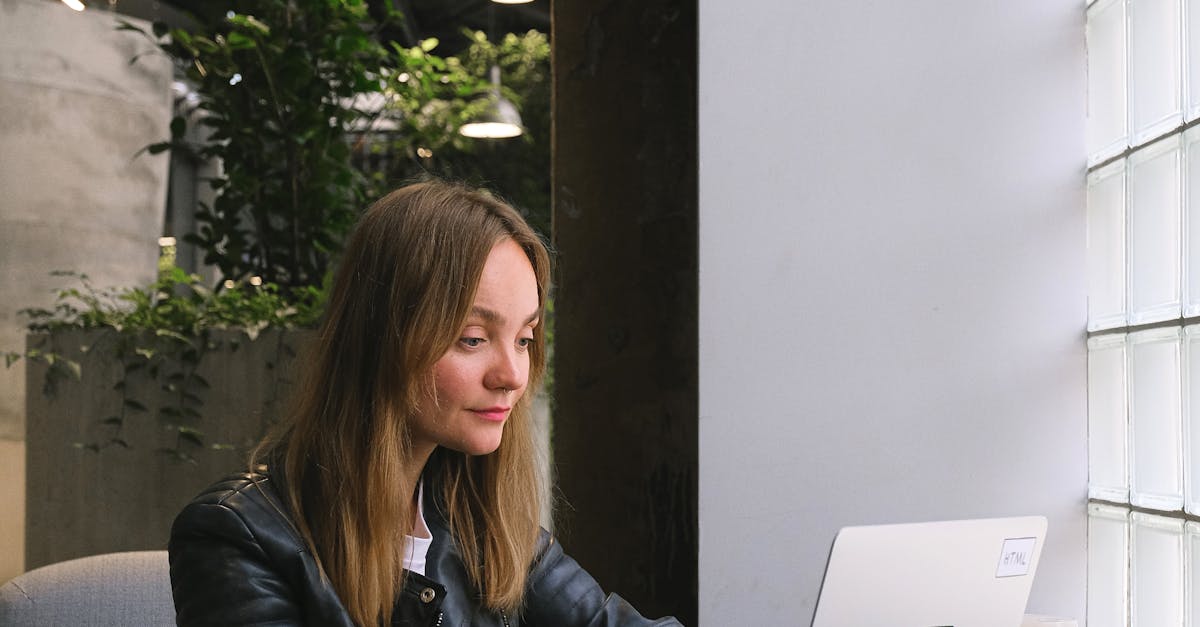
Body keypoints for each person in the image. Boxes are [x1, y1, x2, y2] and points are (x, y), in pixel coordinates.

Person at [168, 180, 683, 627]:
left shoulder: (479, 517)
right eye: (473, 338)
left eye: (525, 339)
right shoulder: (242, 535)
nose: (512, 377)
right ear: (383, 339)